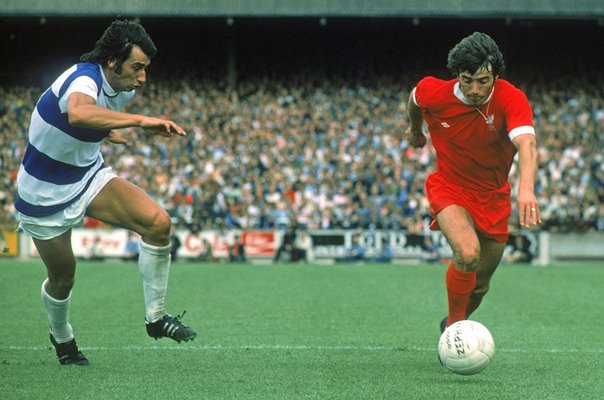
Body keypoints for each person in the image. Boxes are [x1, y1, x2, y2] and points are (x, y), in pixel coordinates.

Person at [14, 20, 197, 366]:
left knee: (158, 223)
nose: (142, 78)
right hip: (44, 193)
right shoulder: (84, 77)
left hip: (88, 175)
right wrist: (140, 122)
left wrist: (108, 132)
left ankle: (156, 319)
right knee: (63, 277)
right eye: (137, 67)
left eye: (145, 69)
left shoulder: (122, 89)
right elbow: (80, 112)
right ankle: (62, 337)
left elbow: (90, 120)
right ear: (113, 62)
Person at [405, 32, 541, 333]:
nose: (476, 89)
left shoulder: (511, 97)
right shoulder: (434, 91)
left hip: (493, 197)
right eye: (467, 80)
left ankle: (453, 324)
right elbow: (414, 99)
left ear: (495, 74)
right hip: (449, 187)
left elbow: (527, 144)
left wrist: (526, 188)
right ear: (457, 75)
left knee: (479, 287)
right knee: (467, 253)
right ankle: (453, 332)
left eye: (483, 80)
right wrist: (415, 130)